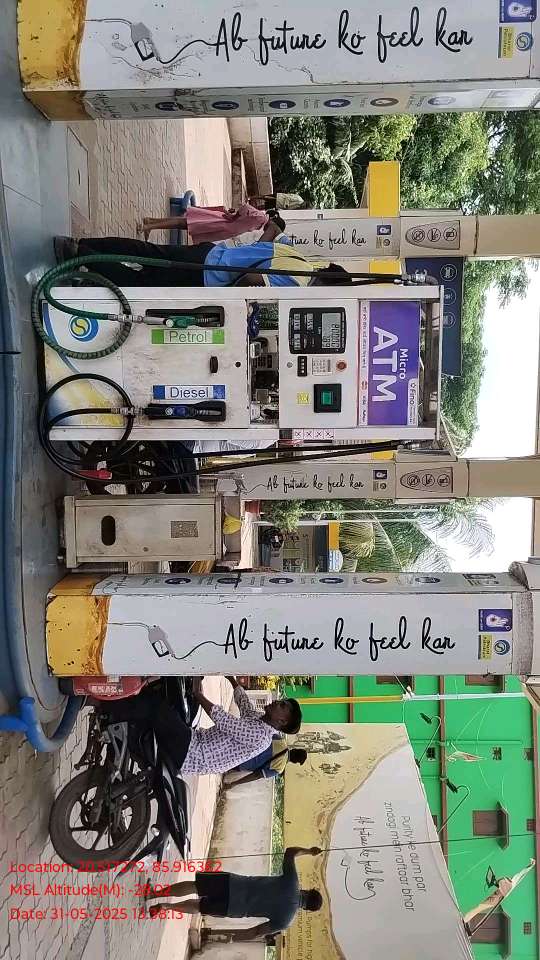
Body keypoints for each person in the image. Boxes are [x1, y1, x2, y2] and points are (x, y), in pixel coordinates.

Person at [98, 676, 302, 776]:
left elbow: (224, 720)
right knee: (174, 702)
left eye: (282, 706)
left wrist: (198, 693)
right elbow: (244, 703)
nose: (277, 702)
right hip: (194, 743)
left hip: (193, 753)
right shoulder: (260, 720)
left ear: (282, 721)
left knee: (156, 705)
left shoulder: (261, 737)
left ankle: (104, 706)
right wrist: (230, 678)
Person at [146, 845, 324, 939]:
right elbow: (256, 932)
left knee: (196, 886)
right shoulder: (286, 920)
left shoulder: (292, 882)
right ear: (306, 909)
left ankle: (155, 894)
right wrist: (234, 937)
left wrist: (309, 851)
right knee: (199, 907)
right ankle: (166, 907)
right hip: (233, 909)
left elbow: (290, 852)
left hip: (234, 884)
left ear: (308, 891)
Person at [54, 235, 352, 288]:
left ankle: (83, 244)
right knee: (137, 282)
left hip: (208, 253)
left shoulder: (295, 255)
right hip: (202, 276)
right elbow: (252, 280)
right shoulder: (298, 281)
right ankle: (82, 256)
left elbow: (261, 245)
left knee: (146, 251)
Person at [138, 202, 269, 242]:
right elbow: (245, 207)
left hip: (220, 227)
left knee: (183, 224)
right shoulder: (262, 218)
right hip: (219, 223)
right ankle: (148, 226)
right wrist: (233, 217)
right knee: (183, 223)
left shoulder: (260, 223)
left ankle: (151, 222)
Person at [224, 739, 307, 789]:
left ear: (294, 749)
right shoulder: (279, 768)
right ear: (294, 762)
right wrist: (234, 783)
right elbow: (256, 775)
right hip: (239, 764)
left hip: (237, 748)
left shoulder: (280, 740)